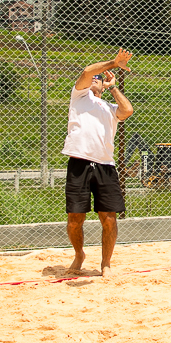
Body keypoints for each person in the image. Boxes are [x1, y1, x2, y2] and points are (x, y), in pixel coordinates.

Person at [61, 48, 134, 278]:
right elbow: (86, 71)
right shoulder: (80, 96)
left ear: (104, 86)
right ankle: (79, 254)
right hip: (80, 163)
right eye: (95, 77)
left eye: (99, 79)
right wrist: (113, 63)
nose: (95, 78)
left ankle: (106, 264)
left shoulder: (110, 108)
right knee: (75, 218)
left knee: (109, 218)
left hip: (105, 166)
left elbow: (127, 110)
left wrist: (113, 86)